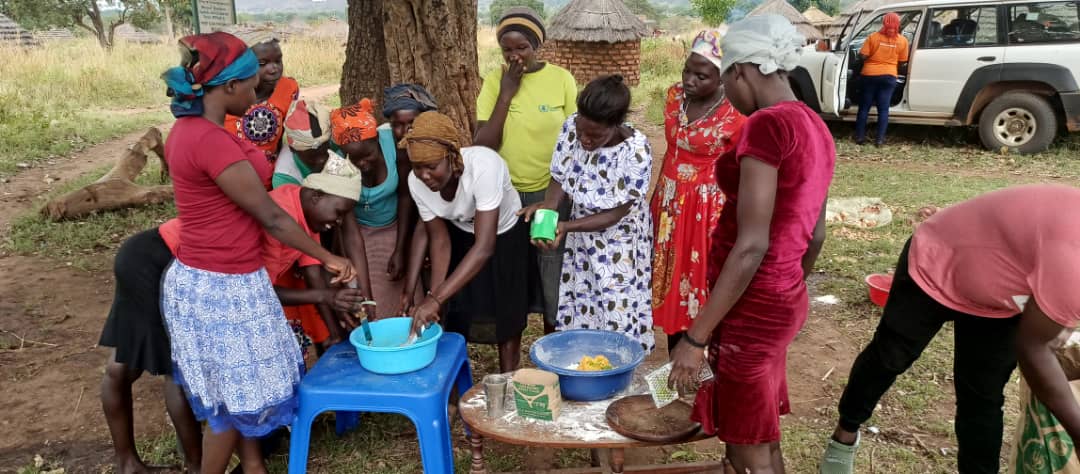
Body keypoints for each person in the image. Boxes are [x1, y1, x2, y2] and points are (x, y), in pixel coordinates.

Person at [160, 31, 354, 473]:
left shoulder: (195, 131)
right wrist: (329, 258)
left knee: (236, 392)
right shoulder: (208, 141)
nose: (256, 92)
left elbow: (256, 163)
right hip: (222, 285)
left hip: (215, 277)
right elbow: (273, 218)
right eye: (248, 85)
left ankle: (253, 468)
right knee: (235, 403)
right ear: (228, 87)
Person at [97, 156, 367, 474]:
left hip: (183, 268)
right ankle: (192, 465)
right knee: (169, 370)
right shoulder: (276, 215)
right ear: (316, 196)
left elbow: (315, 279)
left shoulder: (305, 217)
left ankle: (212, 463)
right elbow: (256, 288)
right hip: (159, 261)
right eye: (339, 213)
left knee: (149, 366)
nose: (338, 222)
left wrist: (335, 326)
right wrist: (326, 296)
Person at [666, 16, 835, 473]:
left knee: (747, 447)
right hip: (782, 298)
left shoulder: (766, 127)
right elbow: (815, 234)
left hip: (753, 304)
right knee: (758, 430)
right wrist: (785, 286)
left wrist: (695, 338)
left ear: (740, 71)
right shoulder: (816, 127)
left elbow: (751, 245)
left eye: (726, 80)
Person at [820, 185, 1080, 474]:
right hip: (940, 257)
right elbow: (1033, 350)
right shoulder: (1073, 260)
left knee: (983, 396)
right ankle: (844, 434)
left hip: (1003, 293)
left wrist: (1060, 320)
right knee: (889, 356)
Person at [520, 75, 655, 351]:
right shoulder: (572, 125)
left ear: (616, 125)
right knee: (582, 300)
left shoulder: (636, 152)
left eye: (595, 135)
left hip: (620, 243)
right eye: (582, 131)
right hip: (582, 240)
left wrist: (567, 227)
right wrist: (549, 205)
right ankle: (585, 362)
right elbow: (560, 173)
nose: (584, 139)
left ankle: (618, 368)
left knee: (616, 306)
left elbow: (614, 215)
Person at [473, 7, 578, 333]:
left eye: (523, 48)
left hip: (551, 191)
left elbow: (576, 138)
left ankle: (553, 345)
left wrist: (555, 192)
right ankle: (512, 347)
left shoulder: (561, 79)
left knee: (551, 269)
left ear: (538, 45)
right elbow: (484, 143)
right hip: (507, 196)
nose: (515, 56)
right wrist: (507, 92)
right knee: (512, 271)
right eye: (508, 50)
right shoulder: (496, 81)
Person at [403, 112, 530, 373]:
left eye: (432, 166)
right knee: (457, 310)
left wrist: (435, 299)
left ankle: (507, 379)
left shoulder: (485, 166)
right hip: (460, 232)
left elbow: (484, 247)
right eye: (417, 167)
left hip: (504, 234)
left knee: (507, 314)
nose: (424, 175)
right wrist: (435, 298)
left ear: (452, 158)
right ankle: (453, 384)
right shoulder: (415, 183)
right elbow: (439, 241)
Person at [651, 29, 747, 353]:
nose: (690, 80)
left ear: (722, 78)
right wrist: (656, 199)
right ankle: (675, 363)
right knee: (668, 281)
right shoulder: (673, 95)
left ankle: (706, 359)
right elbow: (670, 151)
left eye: (701, 75)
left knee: (701, 282)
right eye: (687, 70)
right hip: (668, 202)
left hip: (707, 208)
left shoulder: (735, 113)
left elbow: (741, 169)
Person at [331, 98, 422, 317]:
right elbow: (346, 223)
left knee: (409, 297)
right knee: (373, 300)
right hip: (360, 235)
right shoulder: (338, 163)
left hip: (396, 227)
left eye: (368, 155)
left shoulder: (392, 144)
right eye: (356, 159)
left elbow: (405, 196)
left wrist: (401, 249)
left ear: (376, 141)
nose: (363, 164)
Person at [225, 31, 300, 172]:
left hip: (272, 179)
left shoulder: (288, 89)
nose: (274, 69)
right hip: (230, 180)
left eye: (278, 61)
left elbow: (284, 137)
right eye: (262, 63)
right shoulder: (225, 94)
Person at [854, 13, 908, 146]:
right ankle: (880, 140)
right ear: (898, 24)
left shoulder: (873, 37)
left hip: (869, 75)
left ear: (883, 23)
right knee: (883, 109)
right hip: (889, 76)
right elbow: (902, 61)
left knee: (864, 108)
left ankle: (860, 137)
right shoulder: (903, 41)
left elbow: (863, 56)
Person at [272, 99, 339, 188]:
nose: (322, 160)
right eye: (312, 157)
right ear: (292, 149)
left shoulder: (330, 137)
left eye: (325, 151)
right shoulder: (285, 177)